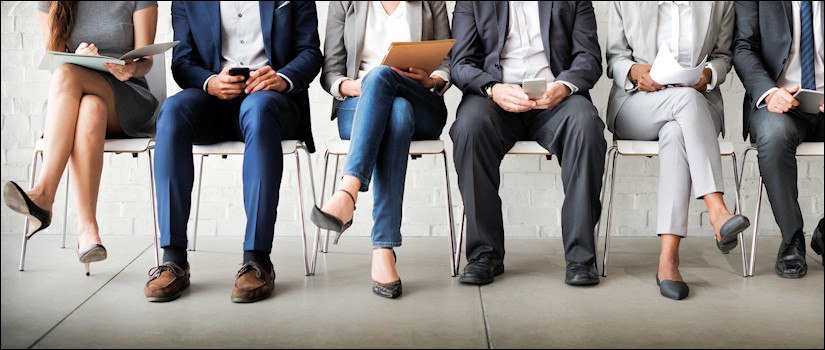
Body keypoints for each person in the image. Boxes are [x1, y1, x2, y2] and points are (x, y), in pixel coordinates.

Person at [144, 1, 322, 303]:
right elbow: (182, 61)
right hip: (213, 101)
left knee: (260, 108)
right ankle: (173, 259)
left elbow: (310, 51)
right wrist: (210, 81)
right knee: (172, 112)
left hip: (271, 101)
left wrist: (281, 78)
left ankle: (257, 259)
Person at [450, 1, 606, 287]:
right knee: (469, 127)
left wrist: (564, 86)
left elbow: (589, 57)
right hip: (495, 99)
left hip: (557, 98)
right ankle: (485, 255)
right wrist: (492, 88)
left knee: (586, 125)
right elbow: (460, 63)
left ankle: (581, 258)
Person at [606, 1, 751, 300]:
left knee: (675, 131)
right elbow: (614, 57)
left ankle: (668, 260)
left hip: (698, 106)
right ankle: (717, 211)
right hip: (638, 105)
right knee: (683, 102)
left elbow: (723, 57)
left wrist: (708, 74)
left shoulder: (718, 3)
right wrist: (634, 71)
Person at [3, 1, 159, 276]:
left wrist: (130, 68)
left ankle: (43, 196)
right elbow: (53, 59)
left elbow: (146, 62)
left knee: (68, 76)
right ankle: (88, 231)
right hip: (74, 100)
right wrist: (77, 56)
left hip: (126, 95)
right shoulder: (50, 2)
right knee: (90, 108)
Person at [312, 1, 451, 299]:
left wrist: (431, 79)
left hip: (421, 101)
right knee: (394, 109)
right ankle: (383, 248)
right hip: (358, 105)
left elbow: (447, 63)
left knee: (383, 78)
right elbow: (331, 72)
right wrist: (355, 86)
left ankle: (347, 192)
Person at [734, 1, 824, 279]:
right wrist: (770, 92)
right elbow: (743, 47)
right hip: (779, 102)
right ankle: (792, 239)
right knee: (774, 137)